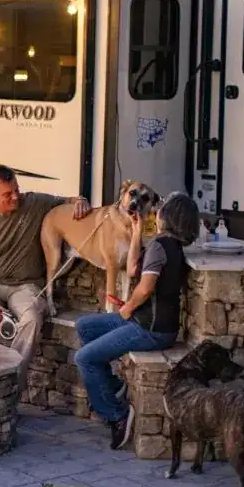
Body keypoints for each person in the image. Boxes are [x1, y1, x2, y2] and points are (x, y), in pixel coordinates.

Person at [0, 164, 92, 390]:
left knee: (31, 319)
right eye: (7, 194)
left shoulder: (33, 203)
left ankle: (11, 385)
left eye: (16, 189)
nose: (15, 197)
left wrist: (81, 201)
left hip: (25, 287)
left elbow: (70, 200)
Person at [73, 191, 200, 451]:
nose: (157, 211)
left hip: (149, 329)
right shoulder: (168, 245)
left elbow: (144, 288)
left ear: (168, 217)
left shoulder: (160, 246)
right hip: (154, 324)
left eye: (162, 207)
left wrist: (127, 308)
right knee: (84, 326)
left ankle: (116, 415)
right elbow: (132, 269)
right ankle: (113, 387)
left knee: (84, 358)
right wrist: (137, 228)